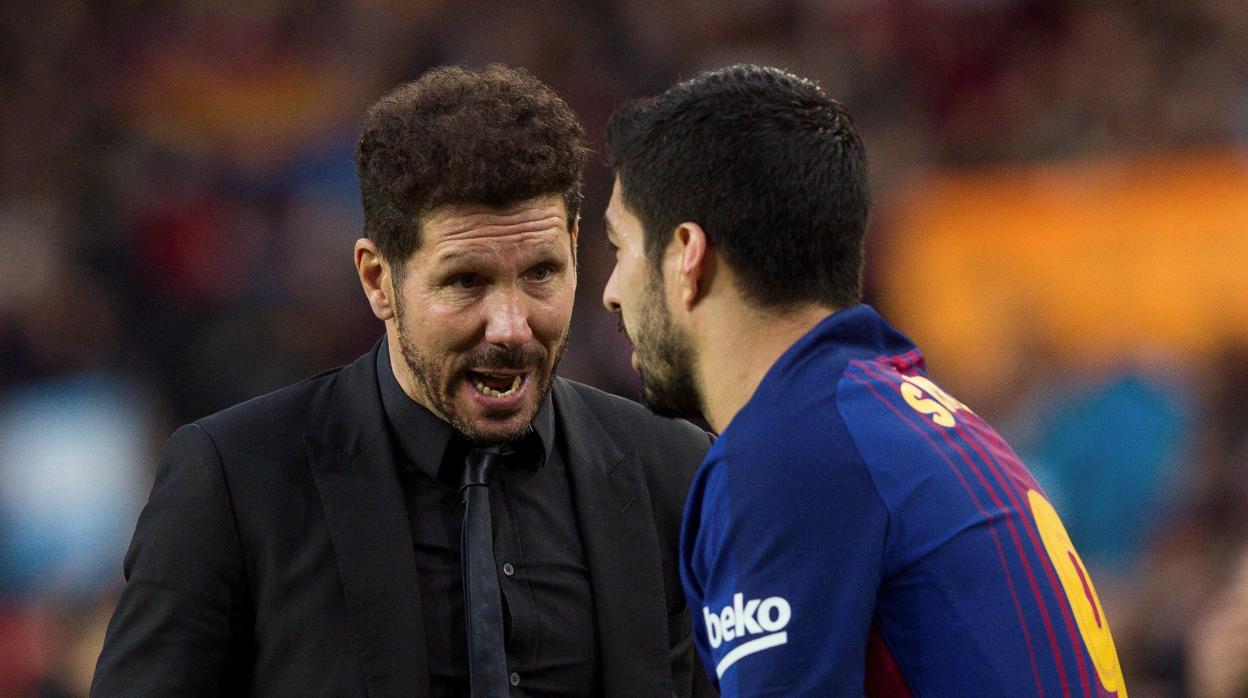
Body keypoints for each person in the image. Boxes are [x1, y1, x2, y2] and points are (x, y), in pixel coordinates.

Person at [92, 65, 714, 697]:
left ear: (576, 251)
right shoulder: (233, 482)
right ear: (377, 280)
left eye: (541, 273)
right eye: (465, 281)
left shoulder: (672, 471)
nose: (512, 326)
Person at [601, 64, 1128, 696]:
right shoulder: (903, 422)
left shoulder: (786, 454)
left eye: (618, 249)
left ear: (688, 254)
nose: (610, 294)